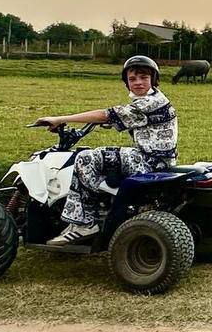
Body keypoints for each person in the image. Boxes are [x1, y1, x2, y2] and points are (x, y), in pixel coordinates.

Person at [31, 55, 178, 244]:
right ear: (126, 83)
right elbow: (128, 119)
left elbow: (106, 115)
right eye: (132, 79)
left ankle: (84, 223)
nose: (138, 82)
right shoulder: (156, 99)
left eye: (143, 77)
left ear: (153, 79)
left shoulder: (148, 103)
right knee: (104, 157)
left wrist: (60, 119)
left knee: (85, 158)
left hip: (148, 161)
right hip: (159, 159)